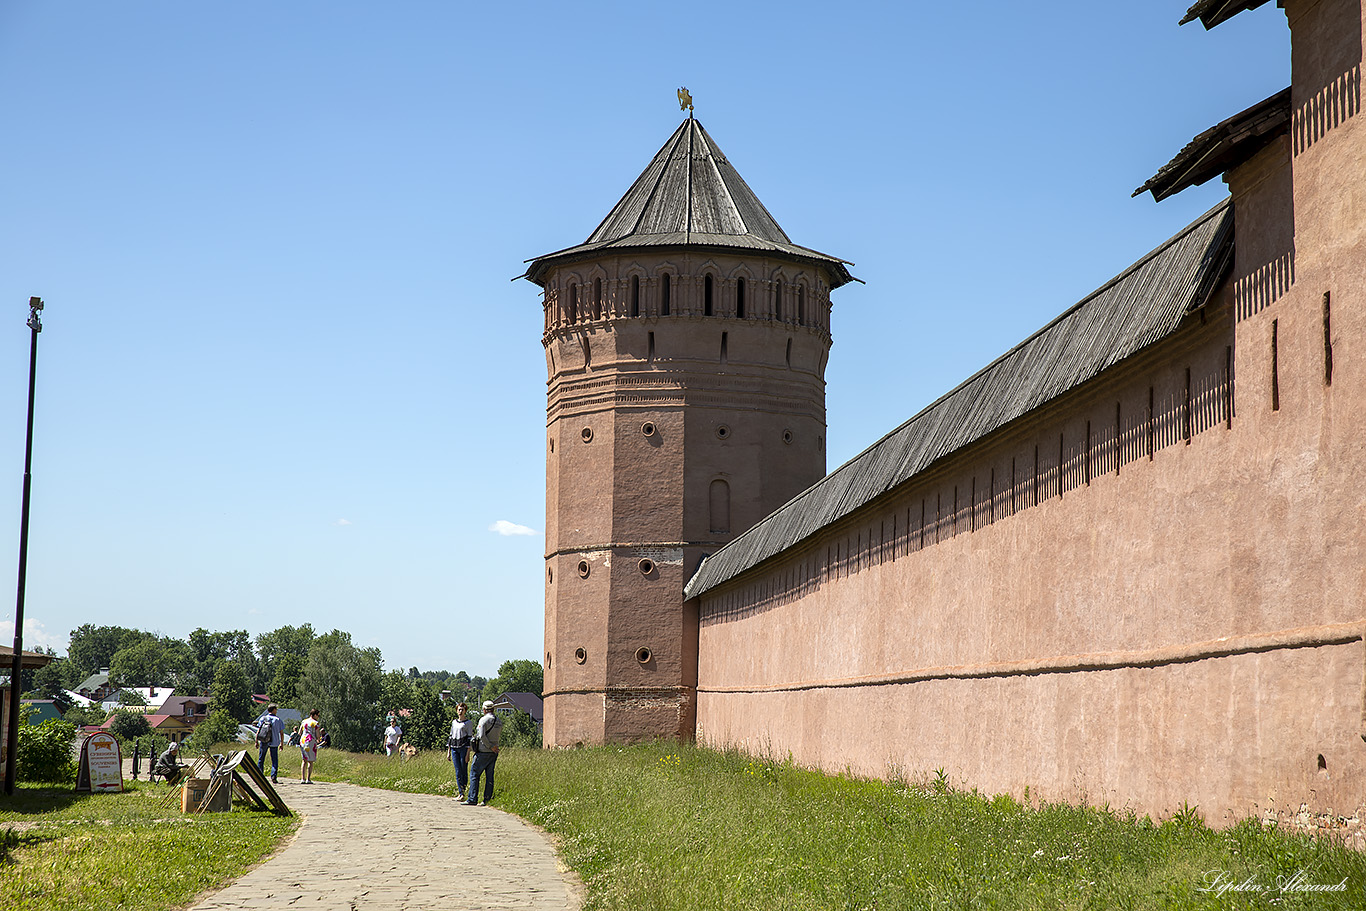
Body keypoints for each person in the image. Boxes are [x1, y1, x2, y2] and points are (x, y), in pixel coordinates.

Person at [463, 701, 503, 806]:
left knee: (474, 774)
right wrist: (493, 747)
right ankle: (487, 799)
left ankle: (472, 798)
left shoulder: (483, 720)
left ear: (484, 709)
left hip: (483, 751)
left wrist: (489, 746)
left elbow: (481, 736)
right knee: (490, 776)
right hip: (494, 752)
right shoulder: (498, 721)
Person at [253, 703, 286, 783]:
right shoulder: (278, 720)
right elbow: (281, 733)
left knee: (261, 758)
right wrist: (281, 743)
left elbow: (259, 731)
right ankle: (273, 775)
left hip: (264, 740)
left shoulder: (263, 718)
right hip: (274, 742)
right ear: (274, 710)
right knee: (274, 760)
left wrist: (256, 741)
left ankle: (260, 775)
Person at [448, 702, 474, 801]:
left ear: (465, 711)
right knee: (458, 770)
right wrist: (448, 751)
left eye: (462, 710)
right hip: (454, 747)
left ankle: (464, 790)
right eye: (459, 709)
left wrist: (468, 752)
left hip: (463, 748)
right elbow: (451, 736)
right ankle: (460, 792)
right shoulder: (454, 722)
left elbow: (469, 738)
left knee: (463, 769)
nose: (460, 711)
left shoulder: (468, 723)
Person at [299, 709, 321, 783]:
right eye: (318, 715)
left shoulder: (304, 721)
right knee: (310, 761)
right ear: (314, 715)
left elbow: (300, 732)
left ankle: (303, 778)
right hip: (311, 741)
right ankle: (308, 779)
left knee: (304, 760)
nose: (318, 717)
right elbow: (318, 734)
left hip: (303, 741)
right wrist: (318, 739)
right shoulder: (315, 723)